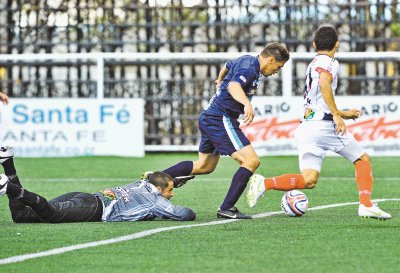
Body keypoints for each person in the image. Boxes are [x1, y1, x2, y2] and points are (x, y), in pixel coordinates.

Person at [246, 25, 391, 220]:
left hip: (308, 127)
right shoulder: (330, 62)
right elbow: (324, 84)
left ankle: (264, 184)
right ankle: (365, 204)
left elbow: (318, 99)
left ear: (314, 44)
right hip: (324, 127)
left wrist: (342, 113)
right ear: (337, 44)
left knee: (309, 179)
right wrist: (337, 116)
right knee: (362, 159)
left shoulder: (313, 62)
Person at [161, 42, 290, 219]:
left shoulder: (247, 60)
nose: (277, 71)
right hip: (220, 118)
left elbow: (227, 65)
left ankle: (154, 179)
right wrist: (246, 104)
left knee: (204, 166)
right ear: (272, 59)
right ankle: (227, 208)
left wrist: (220, 79)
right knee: (251, 161)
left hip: (210, 116)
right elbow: (233, 86)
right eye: (278, 66)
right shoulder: (250, 69)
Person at [0, 147, 196, 223]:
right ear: (159, 189)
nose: (172, 194)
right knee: (49, 213)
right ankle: (9, 187)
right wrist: (164, 201)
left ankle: (7, 161)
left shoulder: (145, 180)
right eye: (169, 190)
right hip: (94, 209)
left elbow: (154, 175)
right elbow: (185, 214)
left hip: (84, 198)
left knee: (21, 216)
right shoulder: (155, 201)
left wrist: (173, 180)